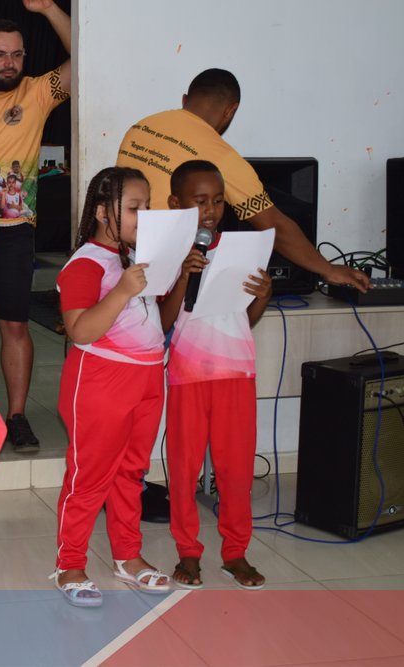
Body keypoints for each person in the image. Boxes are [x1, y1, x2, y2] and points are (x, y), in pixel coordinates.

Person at [116, 68, 370, 292]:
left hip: (125, 267)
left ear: (185, 100)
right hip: (169, 279)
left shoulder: (141, 127)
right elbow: (274, 225)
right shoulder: (221, 157)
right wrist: (328, 270)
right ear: (231, 110)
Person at [52, 167, 171, 608]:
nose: (146, 216)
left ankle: (127, 556)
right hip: (101, 380)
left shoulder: (136, 257)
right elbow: (80, 330)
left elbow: (156, 319)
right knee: (89, 476)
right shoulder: (86, 263)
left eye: (148, 206)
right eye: (135, 208)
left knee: (132, 472)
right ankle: (70, 563)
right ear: (104, 213)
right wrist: (121, 290)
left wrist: (178, 275)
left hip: (147, 377)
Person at [0, 1, 71, 454]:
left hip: (16, 228)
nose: (9, 63)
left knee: (14, 325)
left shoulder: (37, 91)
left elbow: (88, 58)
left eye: (17, 55)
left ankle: (17, 417)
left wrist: (48, 9)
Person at [158, 161, 271, 590]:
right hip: (188, 374)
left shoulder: (240, 250)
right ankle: (188, 551)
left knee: (236, 470)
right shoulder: (169, 255)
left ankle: (235, 553)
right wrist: (184, 275)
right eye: (200, 201)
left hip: (236, 372)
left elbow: (245, 317)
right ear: (176, 204)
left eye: (218, 201)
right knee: (184, 467)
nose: (210, 210)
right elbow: (163, 322)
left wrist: (263, 296)